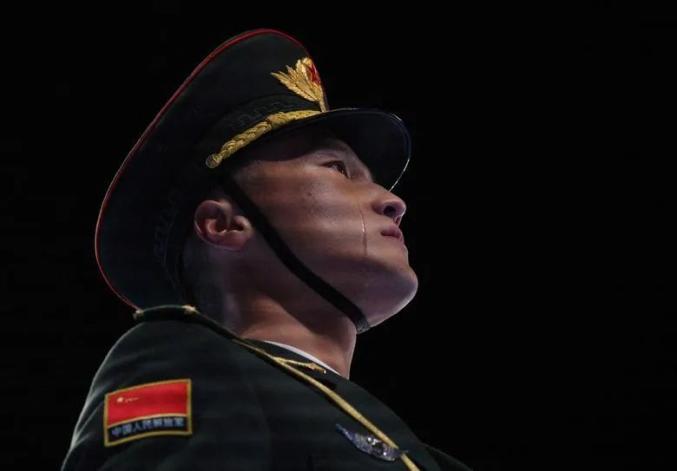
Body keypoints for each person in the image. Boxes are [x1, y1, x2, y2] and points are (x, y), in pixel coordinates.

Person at [61, 28, 472, 470]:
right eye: (338, 168)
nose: (394, 202)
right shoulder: (194, 366)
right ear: (224, 225)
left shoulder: (429, 459)